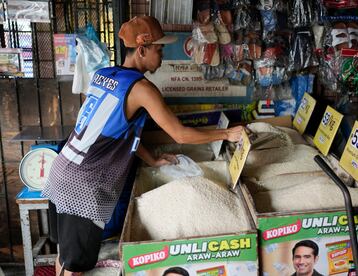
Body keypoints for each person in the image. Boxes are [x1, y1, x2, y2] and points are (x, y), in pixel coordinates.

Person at [42, 15, 244, 276]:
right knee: (76, 266)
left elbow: (118, 134)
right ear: (141, 50)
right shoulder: (142, 89)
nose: (161, 56)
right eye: (159, 50)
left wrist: (152, 160)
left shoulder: (103, 75)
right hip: (85, 187)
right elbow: (180, 134)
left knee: (65, 256)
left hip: (63, 171)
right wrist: (226, 134)